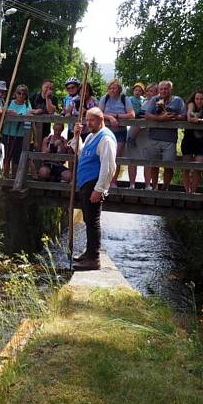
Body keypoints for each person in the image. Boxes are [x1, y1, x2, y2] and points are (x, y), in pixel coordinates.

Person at [71, 107, 117, 271]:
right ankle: (89, 252)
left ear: (101, 119)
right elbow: (80, 152)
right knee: (88, 220)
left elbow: (109, 167)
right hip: (86, 183)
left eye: (92, 120)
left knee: (93, 221)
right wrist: (76, 136)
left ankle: (93, 258)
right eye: (87, 120)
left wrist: (99, 189)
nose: (88, 123)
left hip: (94, 183)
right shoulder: (91, 136)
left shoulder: (105, 139)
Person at [144, 80, 186, 190]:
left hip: (170, 139)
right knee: (154, 164)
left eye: (166, 89)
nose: (163, 91)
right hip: (153, 137)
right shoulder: (154, 99)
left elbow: (184, 116)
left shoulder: (178, 101)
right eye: (161, 89)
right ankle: (155, 187)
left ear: (171, 89)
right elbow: (147, 115)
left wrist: (174, 117)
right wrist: (161, 118)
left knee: (168, 165)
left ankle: (165, 188)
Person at [98, 78, 135, 188]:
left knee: (116, 157)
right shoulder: (104, 99)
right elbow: (99, 113)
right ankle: (103, 181)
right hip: (106, 132)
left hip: (120, 132)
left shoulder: (124, 99)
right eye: (110, 88)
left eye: (114, 88)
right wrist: (110, 117)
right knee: (104, 156)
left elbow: (132, 115)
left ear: (119, 89)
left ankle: (113, 182)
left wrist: (117, 116)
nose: (112, 90)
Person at [181, 89, 203, 194]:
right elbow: (189, 117)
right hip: (189, 139)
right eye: (197, 98)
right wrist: (193, 118)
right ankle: (188, 191)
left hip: (202, 140)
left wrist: (200, 121)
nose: (199, 101)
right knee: (186, 167)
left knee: (198, 167)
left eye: (201, 99)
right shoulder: (191, 104)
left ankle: (194, 192)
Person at [1, 84, 32, 178]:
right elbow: (1, 110)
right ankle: (5, 178)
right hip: (8, 133)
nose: (21, 95)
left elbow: (30, 113)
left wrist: (22, 115)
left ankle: (14, 178)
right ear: (15, 93)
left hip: (20, 134)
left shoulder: (27, 104)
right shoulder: (9, 102)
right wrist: (7, 111)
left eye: (23, 94)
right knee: (7, 157)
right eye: (19, 93)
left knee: (17, 158)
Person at [30, 79, 59, 144]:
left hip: (46, 129)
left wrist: (47, 98)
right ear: (42, 87)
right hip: (32, 128)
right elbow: (27, 109)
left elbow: (51, 111)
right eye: (46, 87)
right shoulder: (34, 97)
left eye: (50, 88)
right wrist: (36, 111)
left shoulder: (54, 98)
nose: (48, 89)